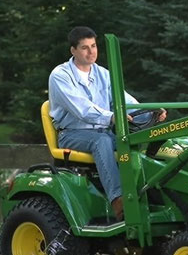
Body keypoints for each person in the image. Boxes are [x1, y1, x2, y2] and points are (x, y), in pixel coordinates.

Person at [48, 26, 166, 220]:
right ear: (73, 51)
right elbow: (82, 108)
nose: (91, 51)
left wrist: (150, 111)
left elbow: (124, 101)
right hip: (72, 134)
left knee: (136, 133)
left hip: (104, 130)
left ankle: (149, 192)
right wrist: (112, 117)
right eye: (85, 47)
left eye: (93, 46)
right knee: (101, 141)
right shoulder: (60, 76)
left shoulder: (103, 74)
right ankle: (119, 200)